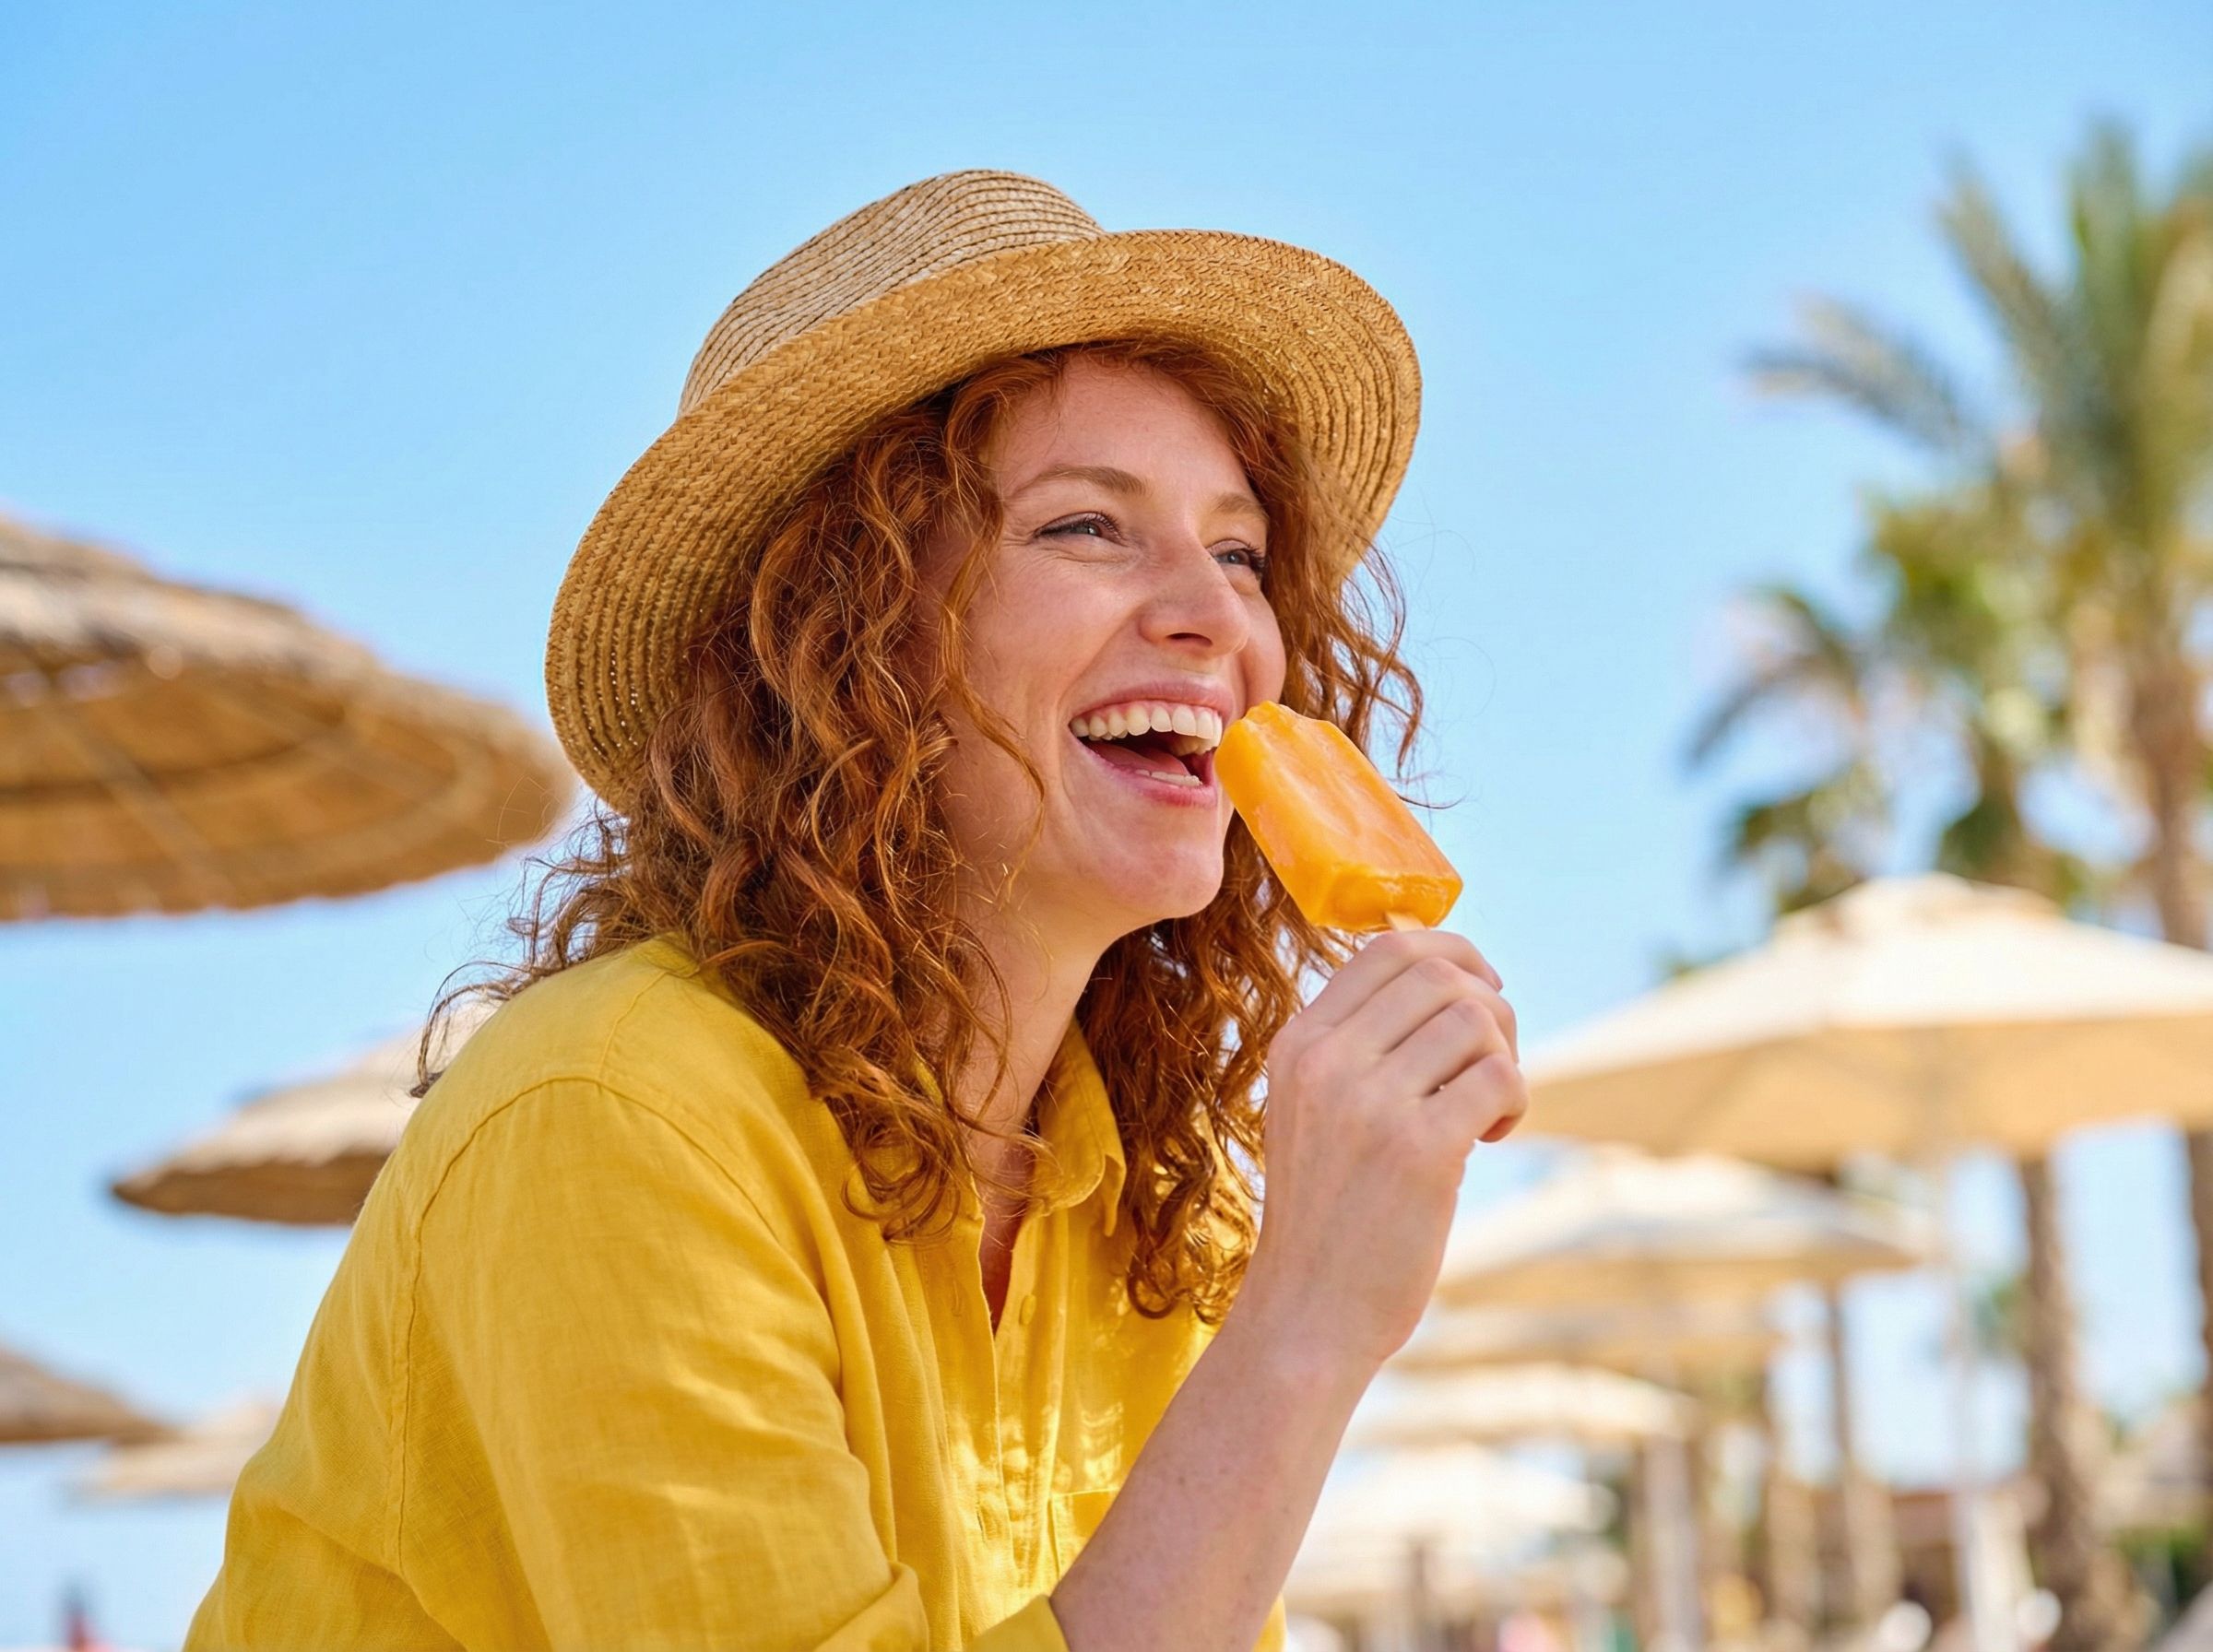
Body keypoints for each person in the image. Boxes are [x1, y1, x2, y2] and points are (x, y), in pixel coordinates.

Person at [185, 170, 1526, 1652]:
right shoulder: (619, 1113)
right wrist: (1304, 1335)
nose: (1214, 616)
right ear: (841, 636)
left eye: (1240, 552)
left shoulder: (1145, 1202)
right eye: (1087, 528)